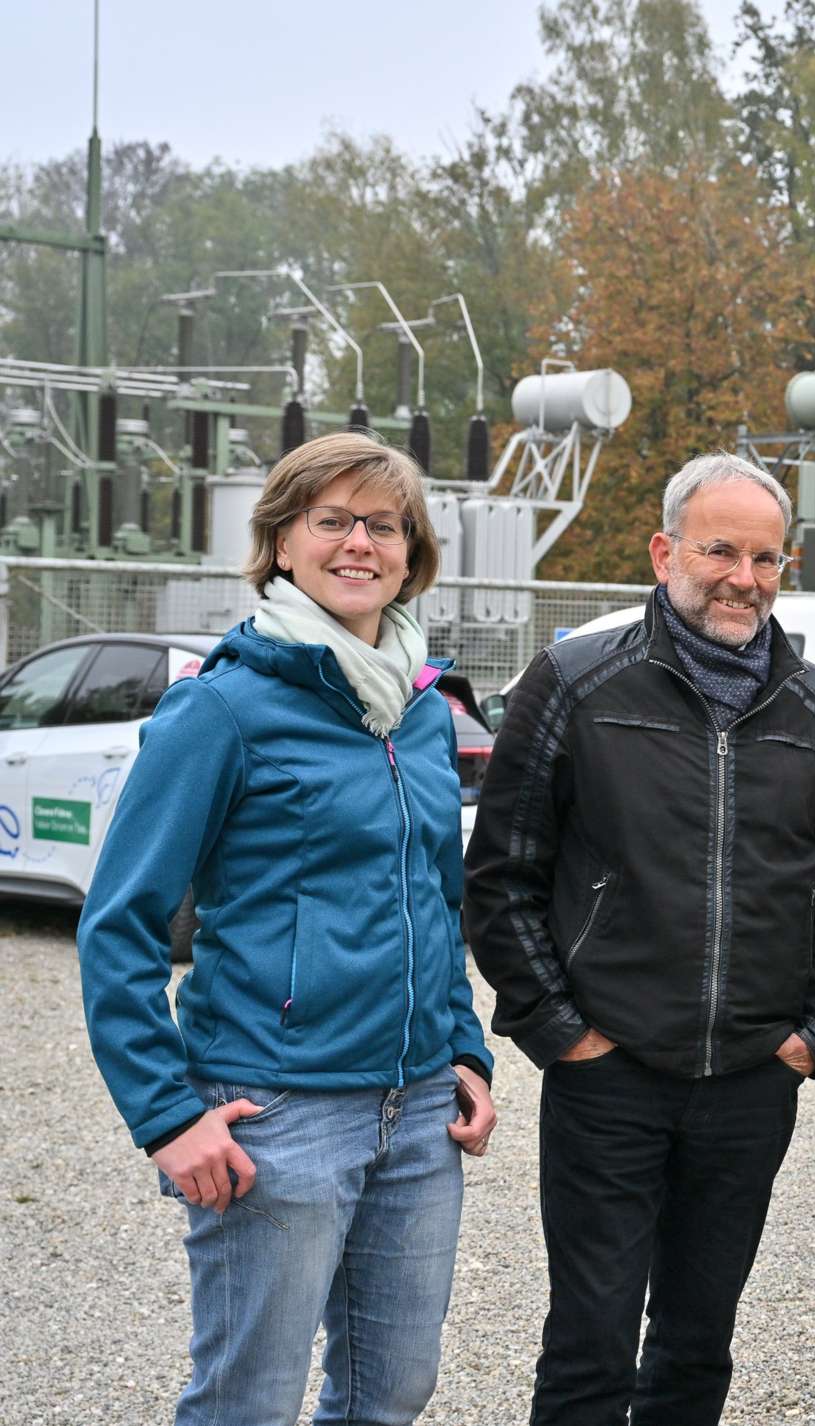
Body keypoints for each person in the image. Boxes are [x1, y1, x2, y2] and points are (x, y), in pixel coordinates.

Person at [76, 429, 497, 1426]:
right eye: (333, 520)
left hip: (417, 1109)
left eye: (384, 525)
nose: (360, 543)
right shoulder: (222, 709)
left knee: (390, 1392)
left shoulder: (422, 716)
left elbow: (436, 899)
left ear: (412, 552)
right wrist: (167, 1115)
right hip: (280, 1110)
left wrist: (465, 1046)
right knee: (246, 1403)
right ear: (282, 541)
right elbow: (120, 921)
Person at [464, 452, 815, 1425]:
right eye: (719, 550)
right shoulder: (576, 681)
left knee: (696, 1345)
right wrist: (563, 1031)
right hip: (612, 1076)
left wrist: (813, 1033)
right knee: (592, 1344)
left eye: (767, 558)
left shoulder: (812, 703)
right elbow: (501, 877)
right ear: (663, 552)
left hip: (749, 1081)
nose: (744, 577)